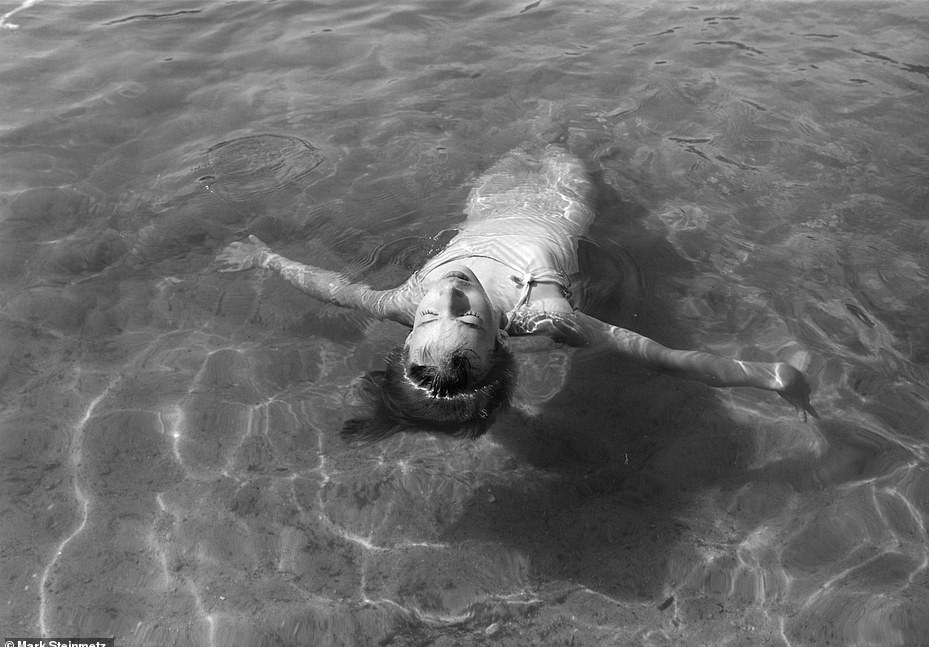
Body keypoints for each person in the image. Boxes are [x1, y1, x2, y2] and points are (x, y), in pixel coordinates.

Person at [215, 145, 816, 440]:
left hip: (487, 205)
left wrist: (267, 257)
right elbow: (660, 355)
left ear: (409, 334)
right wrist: (770, 376)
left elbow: (334, 289)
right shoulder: (540, 316)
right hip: (561, 204)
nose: (447, 295)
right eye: (469, 320)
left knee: (521, 143)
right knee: (560, 149)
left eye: (431, 318)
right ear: (499, 339)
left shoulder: (403, 300)